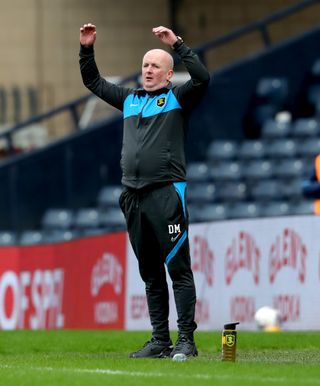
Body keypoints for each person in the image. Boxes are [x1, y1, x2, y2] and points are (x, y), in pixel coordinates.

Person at [79, 23, 210, 359]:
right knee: (149, 271)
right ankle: (159, 340)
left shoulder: (177, 99)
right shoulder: (130, 100)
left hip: (166, 195)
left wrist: (177, 44)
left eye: (155, 66)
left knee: (178, 269)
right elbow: (93, 81)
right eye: (145, 66)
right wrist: (86, 48)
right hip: (133, 197)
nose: (148, 70)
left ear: (168, 75)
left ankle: (186, 340)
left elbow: (202, 78)